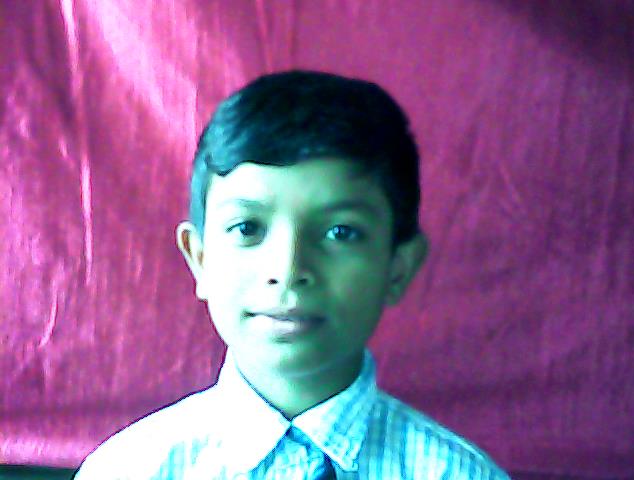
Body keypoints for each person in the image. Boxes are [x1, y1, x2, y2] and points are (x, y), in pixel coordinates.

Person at [74, 70, 510, 479]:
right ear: (200, 259)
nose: (288, 270)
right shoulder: (128, 469)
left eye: (341, 232)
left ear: (398, 268)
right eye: (247, 228)